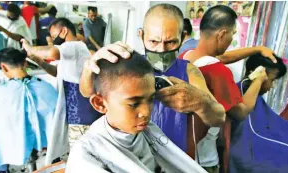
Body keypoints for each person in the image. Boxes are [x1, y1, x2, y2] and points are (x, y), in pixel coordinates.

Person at [80, 3, 226, 161]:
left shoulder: (189, 71)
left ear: (183, 37)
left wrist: (201, 103)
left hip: (173, 158)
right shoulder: (130, 67)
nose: (161, 50)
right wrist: (90, 66)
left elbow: (219, 117)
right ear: (141, 35)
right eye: (153, 42)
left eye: (170, 42)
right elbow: (87, 91)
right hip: (133, 157)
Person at [66, 52, 207, 173]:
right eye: (134, 104)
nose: (146, 112)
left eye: (151, 99)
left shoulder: (148, 131)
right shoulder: (87, 154)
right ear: (100, 103)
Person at [182, 5, 277, 173]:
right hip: (202, 159)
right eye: (232, 34)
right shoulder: (218, 72)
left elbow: (222, 57)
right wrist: (260, 78)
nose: (231, 39)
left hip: (180, 147)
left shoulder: (187, 55)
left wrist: (257, 49)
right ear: (221, 35)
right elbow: (241, 112)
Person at [21, 17, 101, 164]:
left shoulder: (75, 45)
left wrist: (29, 47)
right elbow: (57, 72)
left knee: (83, 157)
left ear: (64, 31)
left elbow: (51, 53)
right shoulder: (71, 52)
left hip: (81, 113)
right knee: (79, 153)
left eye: (53, 36)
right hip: (75, 113)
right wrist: (38, 60)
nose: (52, 40)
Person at [0, 48, 58, 172]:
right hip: (46, 147)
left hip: (12, 147)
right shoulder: (46, 88)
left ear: (3, 67)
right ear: (25, 63)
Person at [230, 54, 288, 173]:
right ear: (257, 73)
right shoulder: (240, 94)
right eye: (272, 80)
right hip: (248, 151)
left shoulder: (255, 96)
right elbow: (251, 134)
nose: (271, 86)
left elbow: (275, 125)